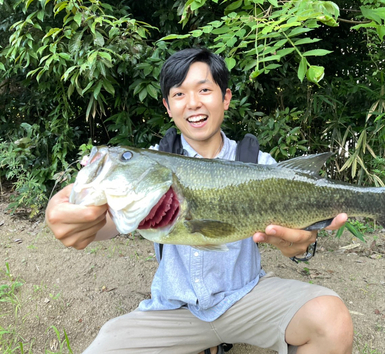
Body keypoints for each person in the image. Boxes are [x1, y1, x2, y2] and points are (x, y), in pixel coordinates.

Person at [45, 48, 353, 354]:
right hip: (173, 311)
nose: (193, 103)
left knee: (331, 322)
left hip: (245, 298)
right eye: (179, 94)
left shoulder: (259, 165)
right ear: (167, 106)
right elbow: (104, 220)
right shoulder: (153, 165)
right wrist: (71, 215)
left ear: (226, 98)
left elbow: (302, 235)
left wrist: (302, 246)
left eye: (204, 89)